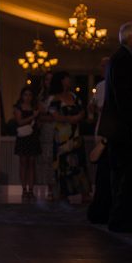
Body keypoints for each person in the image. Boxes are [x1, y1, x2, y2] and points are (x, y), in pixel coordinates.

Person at [98, 22, 132, 233]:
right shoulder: (123, 60)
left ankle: (122, 217)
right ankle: (122, 218)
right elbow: (124, 96)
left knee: (123, 174)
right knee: (128, 174)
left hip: (119, 128)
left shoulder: (120, 59)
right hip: (123, 128)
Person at [48, 71, 90, 203]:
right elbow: (55, 116)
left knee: (79, 163)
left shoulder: (74, 96)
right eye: (67, 79)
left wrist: (79, 117)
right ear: (61, 81)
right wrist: (71, 118)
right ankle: (63, 193)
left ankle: (84, 192)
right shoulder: (54, 98)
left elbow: (83, 111)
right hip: (62, 136)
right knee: (63, 165)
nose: (69, 81)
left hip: (75, 136)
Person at [87, 57, 111, 223]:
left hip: (109, 128)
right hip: (102, 128)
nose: (102, 68)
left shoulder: (109, 85)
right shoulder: (100, 86)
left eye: (105, 66)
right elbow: (94, 106)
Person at [13, 86, 41, 201]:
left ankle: (31, 189)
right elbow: (19, 122)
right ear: (22, 96)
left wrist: (37, 119)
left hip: (33, 136)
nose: (28, 97)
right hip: (23, 137)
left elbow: (38, 123)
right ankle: (24, 188)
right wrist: (33, 116)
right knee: (23, 162)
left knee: (32, 163)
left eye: (30, 95)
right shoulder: (18, 108)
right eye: (25, 95)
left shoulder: (35, 107)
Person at [36, 71, 57, 201]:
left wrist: (44, 116)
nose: (48, 82)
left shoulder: (56, 97)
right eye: (46, 80)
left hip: (55, 129)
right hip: (44, 131)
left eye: (51, 80)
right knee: (46, 160)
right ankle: (49, 189)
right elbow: (39, 114)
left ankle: (57, 189)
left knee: (54, 159)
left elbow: (53, 116)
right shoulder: (41, 96)